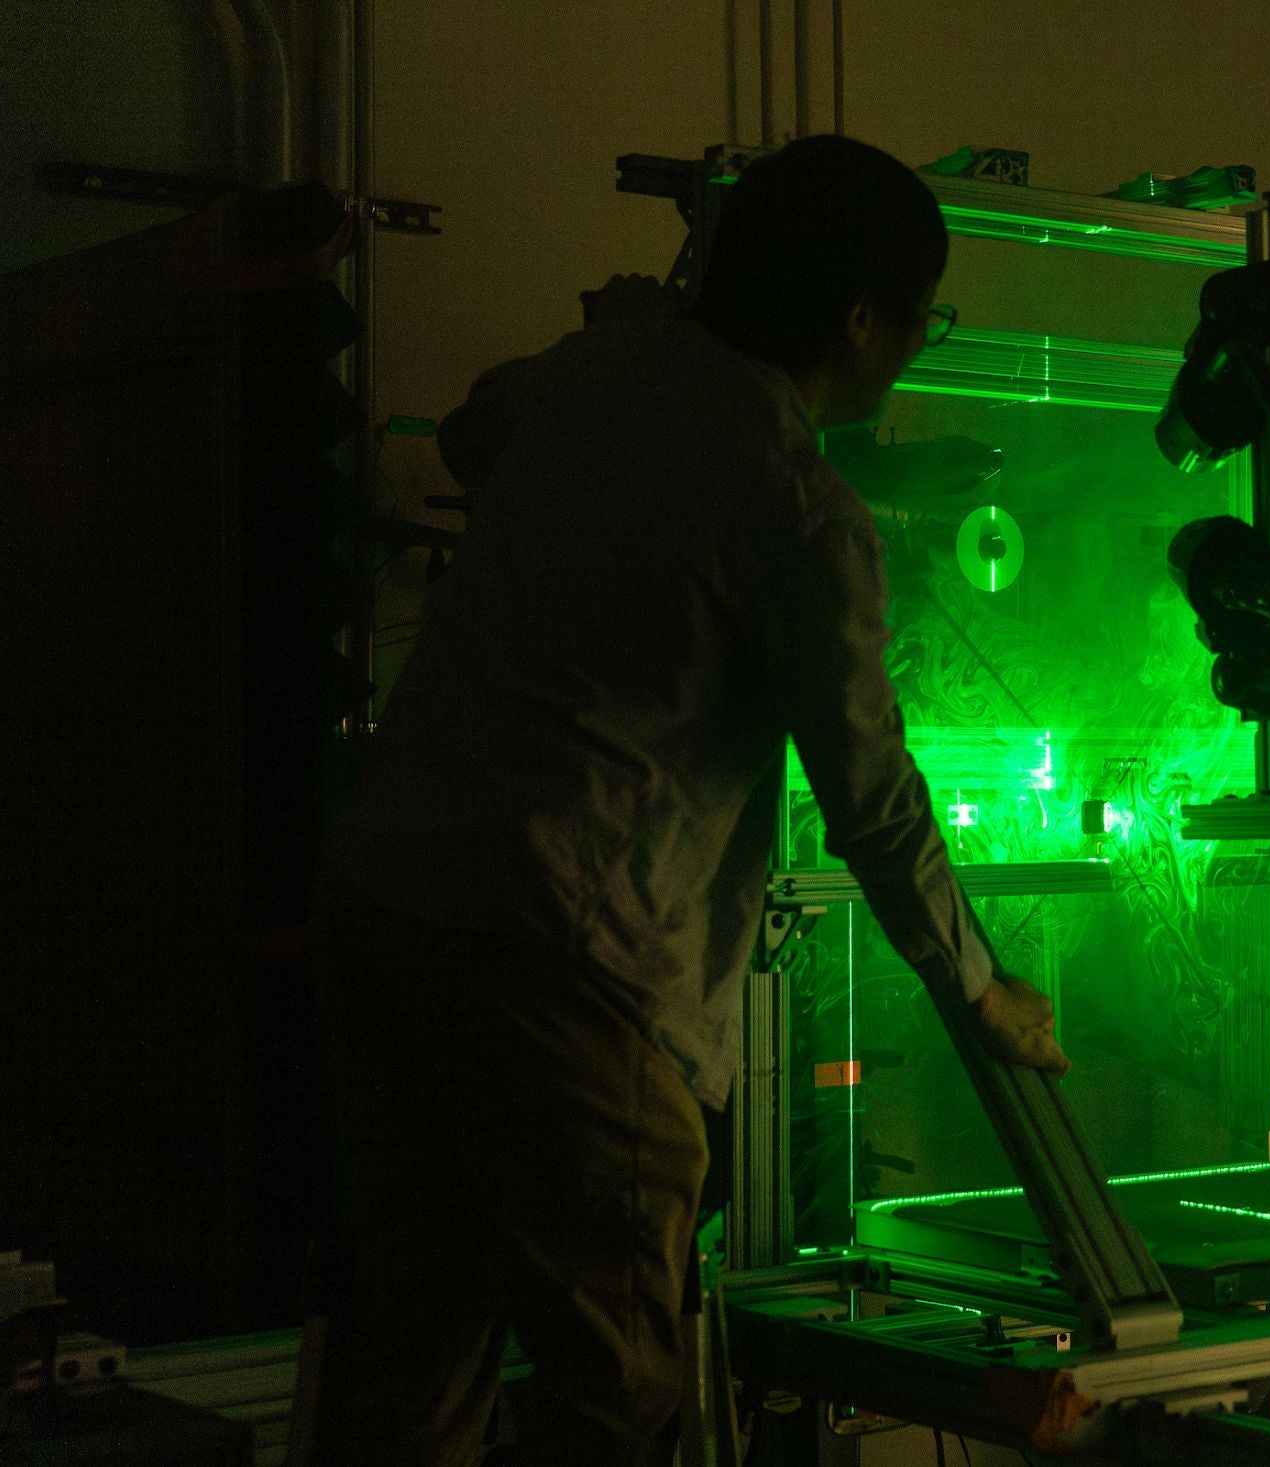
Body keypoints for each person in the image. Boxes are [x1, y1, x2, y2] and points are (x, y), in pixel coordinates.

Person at [307, 134, 1067, 1467]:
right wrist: (980, 984)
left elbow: (487, 431)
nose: (912, 355)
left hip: (388, 917)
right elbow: (872, 800)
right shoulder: (802, 513)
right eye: (918, 324)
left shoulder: (594, 380)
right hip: (567, 972)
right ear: (858, 320)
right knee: (622, 1396)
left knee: (418, 1370)